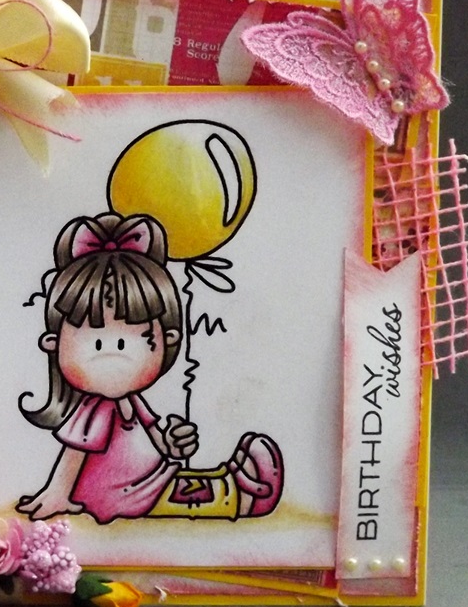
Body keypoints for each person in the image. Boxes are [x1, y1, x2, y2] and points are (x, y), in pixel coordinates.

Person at [17, 212, 283, 525]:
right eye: (95, 341)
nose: (114, 352)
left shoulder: (128, 401)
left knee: (176, 485)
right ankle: (235, 495)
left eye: (135, 338)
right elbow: (73, 454)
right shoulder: (95, 410)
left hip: (143, 479)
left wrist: (171, 443)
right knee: (179, 496)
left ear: (168, 339)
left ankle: (228, 487)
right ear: (52, 343)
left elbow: (153, 432)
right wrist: (57, 493)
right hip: (118, 494)